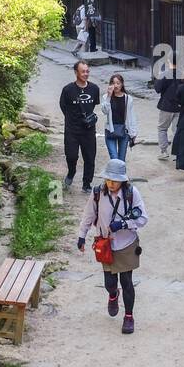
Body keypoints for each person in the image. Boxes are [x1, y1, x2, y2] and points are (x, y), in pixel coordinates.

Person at [77, 159, 147, 335]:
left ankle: (129, 317)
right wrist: (81, 236)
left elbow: (143, 219)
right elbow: (88, 214)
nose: (111, 183)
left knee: (127, 281)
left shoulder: (132, 193)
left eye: (115, 180)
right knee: (109, 282)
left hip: (127, 244)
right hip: (105, 243)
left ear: (123, 180)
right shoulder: (97, 193)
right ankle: (113, 295)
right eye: (108, 179)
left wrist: (124, 224)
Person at [58, 61, 101, 191]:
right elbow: (63, 106)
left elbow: (94, 105)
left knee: (90, 158)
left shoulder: (94, 89)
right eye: (83, 71)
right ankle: (71, 172)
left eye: (87, 71)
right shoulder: (68, 89)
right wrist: (72, 118)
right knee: (71, 156)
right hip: (72, 130)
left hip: (88, 130)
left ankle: (86, 184)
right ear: (76, 72)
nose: (85, 74)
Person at [101, 73, 138, 161]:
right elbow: (104, 111)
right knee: (114, 159)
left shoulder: (128, 98)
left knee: (121, 160)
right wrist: (109, 96)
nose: (116, 85)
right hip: (110, 130)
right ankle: (115, 174)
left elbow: (132, 117)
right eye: (113, 83)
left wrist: (133, 133)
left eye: (118, 83)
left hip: (124, 131)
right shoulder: (106, 97)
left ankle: (120, 174)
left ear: (122, 84)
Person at [151, 58, 181, 161]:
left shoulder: (165, 74)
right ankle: (178, 153)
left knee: (162, 128)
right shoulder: (183, 74)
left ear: (168, 61)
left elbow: (157, 89)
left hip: (166, 106)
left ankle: (164, 151)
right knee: (177, 130)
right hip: (180, 107)